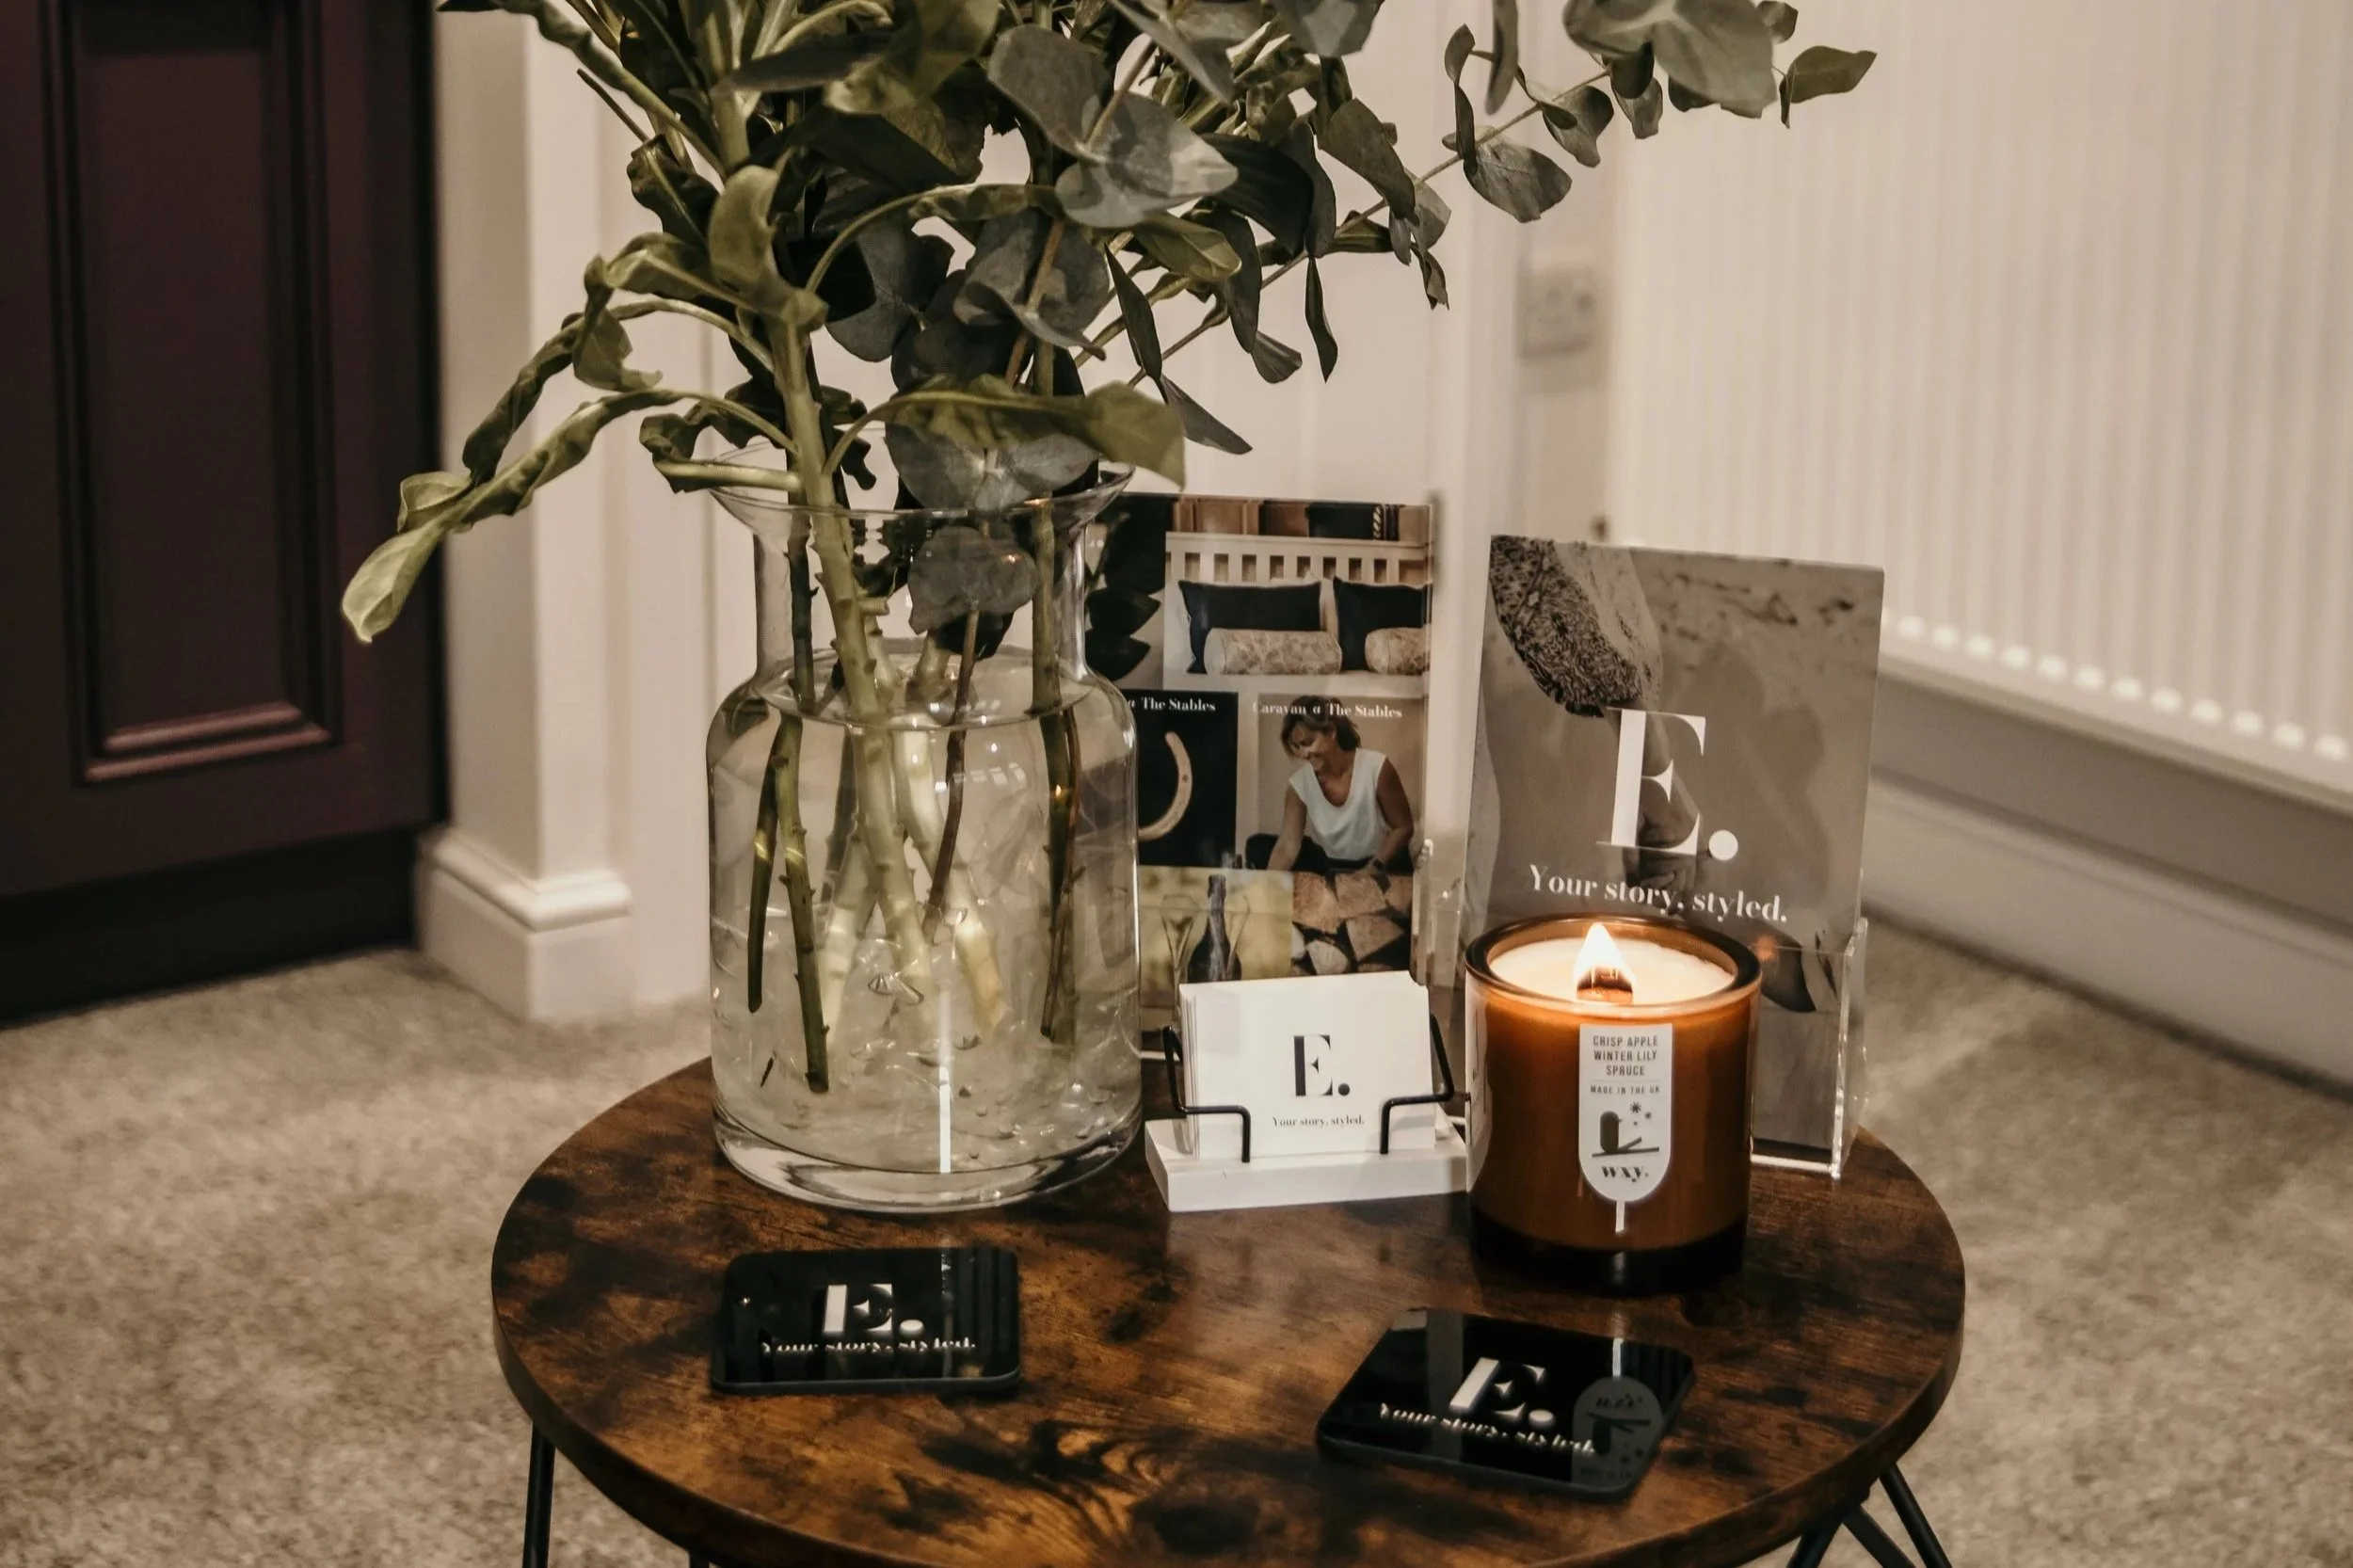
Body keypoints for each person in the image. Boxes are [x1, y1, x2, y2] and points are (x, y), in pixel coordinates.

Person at [1266, 698, 1415, 873]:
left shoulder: (1377, 767)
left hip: (1380, 866)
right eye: (1297, 746)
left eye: (1308, 743)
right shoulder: (1298, 784)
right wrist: (1268, 884)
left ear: (1331, 732)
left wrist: (1372, 870)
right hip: (1331, 870)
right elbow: (1287, 846)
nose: (1304, 753)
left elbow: (1404, 827)